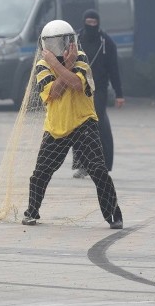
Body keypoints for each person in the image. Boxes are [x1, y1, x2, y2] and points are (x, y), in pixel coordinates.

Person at [23, 20, 123, 229]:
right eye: (54, 41)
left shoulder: (82, 59)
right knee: (41, 173)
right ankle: (32, 211)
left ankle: (114, 216)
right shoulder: (42, 65)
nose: (60, 45)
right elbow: (54, 92)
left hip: (83, 122)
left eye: (64, 40)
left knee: (98, 169)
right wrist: (65, 67)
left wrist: (60, 66)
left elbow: (77, 84)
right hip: (56, 126)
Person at [72, 9, 125, 177]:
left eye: (94, 23)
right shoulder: (76, 40)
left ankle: (102, 165)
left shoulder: (107, 43)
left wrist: (119, 94)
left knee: (98, 124)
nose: (92, 26)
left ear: (99, 23)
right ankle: (82, 165)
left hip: (99, 89)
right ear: (83, 22)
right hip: (78, 88)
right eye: (89, 23)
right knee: (79, 126)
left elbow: (114, 70)